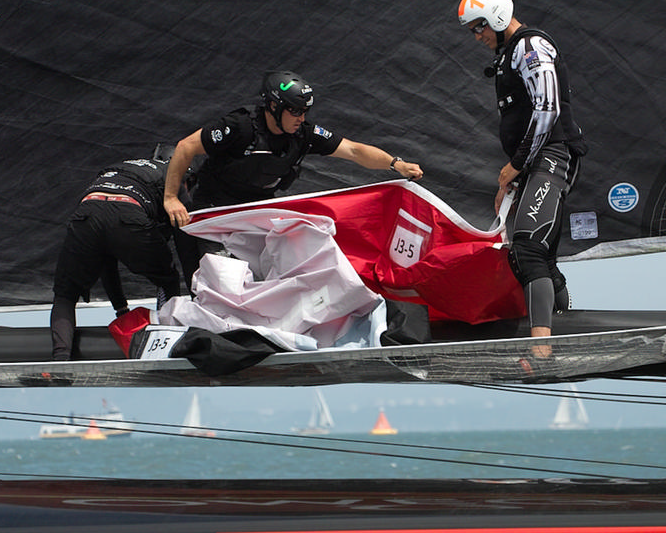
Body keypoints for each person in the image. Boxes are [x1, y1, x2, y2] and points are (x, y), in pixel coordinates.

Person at [163, 70, 424, 280]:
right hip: (215, 214)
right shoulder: (239, 127)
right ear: (274, 106)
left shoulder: (303, 134)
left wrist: (395, 164)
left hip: (256, 215)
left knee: (284, 273)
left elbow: (354, 151)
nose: (301, 118)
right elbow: (186, 146)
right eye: (295, 111)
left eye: (305, 112)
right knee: (226, 282)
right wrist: (171, 197)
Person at [457, 0, 586, 356]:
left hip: (553, 156)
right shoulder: (509, 54)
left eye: (478, 27)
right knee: (529, 253)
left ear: (495, 16)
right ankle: (566, 318)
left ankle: (541, 348)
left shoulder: (530, 47)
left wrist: (513, 167)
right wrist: (512, 179)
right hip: (535, 162)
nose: (476, 36)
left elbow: (548, 111)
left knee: (529, 247)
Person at [50, 151, 183, 360]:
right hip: (129, 212)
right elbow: (185, 242)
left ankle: (59, 359)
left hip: (88, 212)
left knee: (65, 296)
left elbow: (106, 257)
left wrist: (121, 311)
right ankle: (169, 344)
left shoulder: (120, 166)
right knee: (168, 279)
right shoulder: (174, 175)